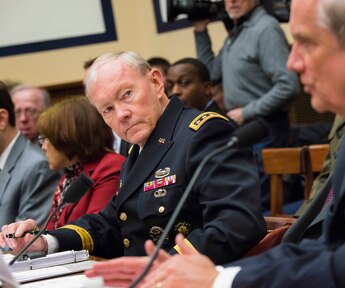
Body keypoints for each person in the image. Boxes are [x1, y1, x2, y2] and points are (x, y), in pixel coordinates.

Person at [83, 0, 345, 287]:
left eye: (305, 42)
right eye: (108, 109)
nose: (292, 63)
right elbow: (329, 246)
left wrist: (218, 280)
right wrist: (217, 276)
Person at [0, 51, 266, 265]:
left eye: (127, 94)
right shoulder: (138, 148)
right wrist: (46, 241)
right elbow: (110, 223)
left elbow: (236, 224)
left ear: (156, 82)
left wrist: (157, 270)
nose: (122, 114)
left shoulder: (204, 132)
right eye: (108, 109)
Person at [193, 0, 300, 210]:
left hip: (266, 128)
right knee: (251, 199)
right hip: (246, 129)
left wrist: (247, 111)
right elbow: (209, 73)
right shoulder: (238, 31)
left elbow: (289, 85)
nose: (231, 1)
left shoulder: (265, 28)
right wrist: (200, 30)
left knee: (263, 203)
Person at [37, 96, 125, 230]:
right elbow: (50, 231)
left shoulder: (110, 166)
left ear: (67, 136)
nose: (43, 146)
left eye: (47, 138)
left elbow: (96, 230)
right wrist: (29, 235)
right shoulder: (69, 175)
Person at [0, 81, 59, 227]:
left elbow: (26, 242)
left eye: (30, 111)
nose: (24, 118)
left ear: (1, 119)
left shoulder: (38, 166)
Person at [83, 57, 131, 157]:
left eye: (96, 83)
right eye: (88, 86)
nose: (91, 90)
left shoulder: (128, 116)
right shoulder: (92, 129)